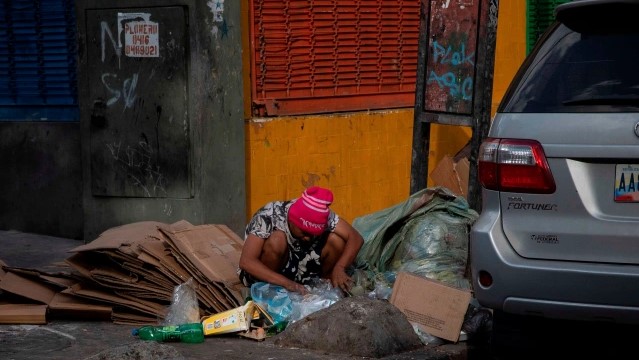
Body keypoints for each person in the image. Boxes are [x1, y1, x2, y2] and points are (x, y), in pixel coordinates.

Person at [238, 186, 364, 294]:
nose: (308, 238)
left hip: (302, 270)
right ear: (293, 221)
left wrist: (340, 267)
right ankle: (270, 291)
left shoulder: (324, 215)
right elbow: (246, 262)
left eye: (313, 234)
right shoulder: (269, 215)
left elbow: (356, 238)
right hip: (270, 273)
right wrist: (289, 284)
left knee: (335, 240)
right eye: (304, 233)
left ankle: (325, 285)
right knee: (277, 240)